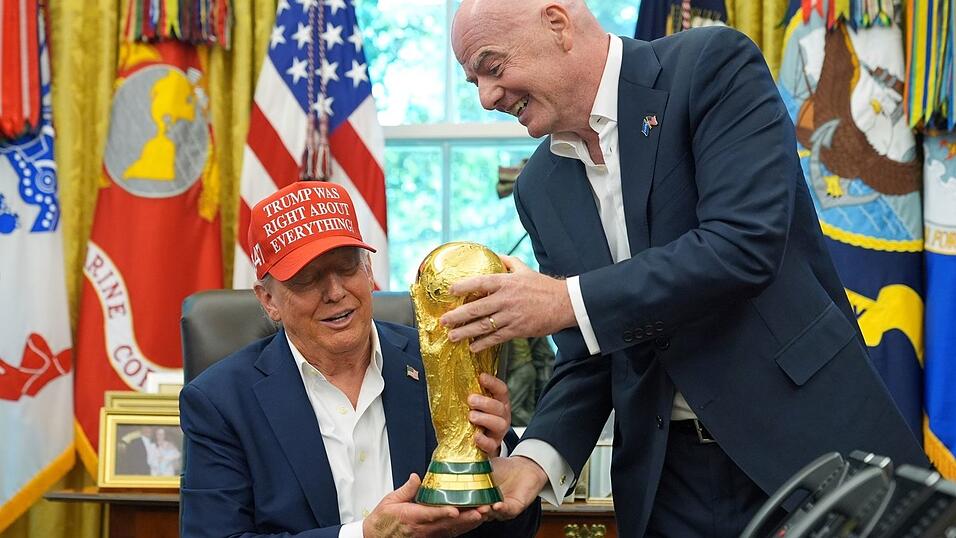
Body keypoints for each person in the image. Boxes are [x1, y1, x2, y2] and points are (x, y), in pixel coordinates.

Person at [444, 1, 929, 536]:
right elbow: (590, 350)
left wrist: (562, 301)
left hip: (808, 449)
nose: (488, 98)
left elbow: (742, 245)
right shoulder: (540, 186)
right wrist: (533, 462)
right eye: (473, 83)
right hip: (664, 487)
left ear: (557, 25)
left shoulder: (710, 67)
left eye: (492, 68)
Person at [179, 181, 540, 538]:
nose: (336, 292)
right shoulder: (220, 401)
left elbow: (520, 528)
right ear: (268, 300)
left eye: (348, 267)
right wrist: (365, 535)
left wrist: (495, 460)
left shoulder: (442, 360)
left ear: (368, 271)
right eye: (308, 279)